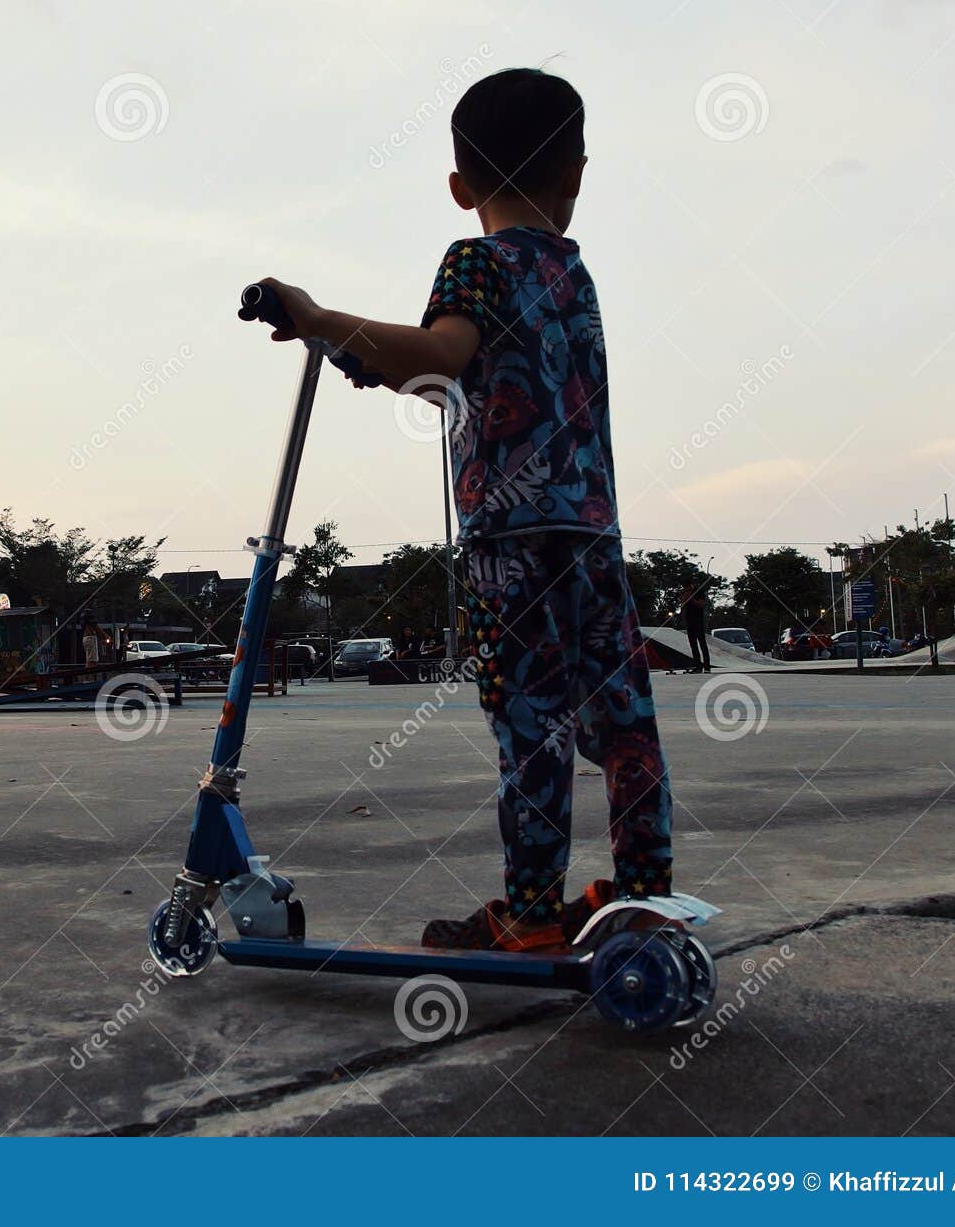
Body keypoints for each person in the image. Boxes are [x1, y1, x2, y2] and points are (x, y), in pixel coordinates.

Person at [251, 68, 673, 953]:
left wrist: (323, 318)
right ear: (578, 174)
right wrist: (369, 358)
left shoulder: (473, 261)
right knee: (624, 722)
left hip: (510, 546)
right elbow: (474, 378)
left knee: (532, 728)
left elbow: (442, 354)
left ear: (458, 187)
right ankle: (642, 897)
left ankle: (529, 915)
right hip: (591, 535)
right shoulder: (573, 271)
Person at [683, 585, 711, 673]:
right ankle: (698, 666)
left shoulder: (699, 592)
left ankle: (707, 666)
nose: (686, 589)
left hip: (698, 620)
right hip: (689, 620)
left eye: (688, 587)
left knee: (702, 643)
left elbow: (700, 604)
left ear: (691, 585)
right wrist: (684, 598)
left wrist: (691, 598)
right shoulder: (685, 592)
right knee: (693, 644)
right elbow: (682, 605)